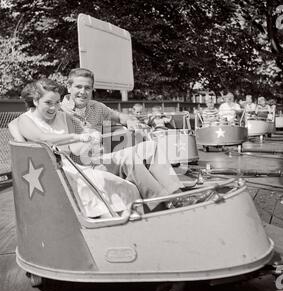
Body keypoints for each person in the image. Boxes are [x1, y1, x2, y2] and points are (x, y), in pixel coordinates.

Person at [16, 79, 185, 216]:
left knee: (148, 147)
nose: (54, 107)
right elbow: (43, 138)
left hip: (85, 159)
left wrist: (89, 140)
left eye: (56, 102)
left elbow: (75, 149)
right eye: (48, 103)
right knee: (130, 160)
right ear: (36, 101)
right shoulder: (26, 120)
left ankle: (174, 196)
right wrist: (78, 136)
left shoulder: (65, 116)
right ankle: (163, 204)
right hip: (63, 169)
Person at [60, 68, 136, 132]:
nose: (83, 92)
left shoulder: (98, 107)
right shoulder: (59, 111)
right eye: (78, 87)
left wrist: (130, 121)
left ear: (92, 89)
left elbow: (119, 117)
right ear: (69, 87)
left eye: (87, 88)